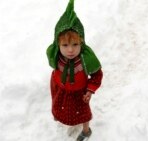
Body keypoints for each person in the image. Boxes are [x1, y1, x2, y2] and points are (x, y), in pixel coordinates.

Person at [46, 0, 103, 140]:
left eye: (75, 44)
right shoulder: (56, 56)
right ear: (57, 44)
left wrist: (89, 90)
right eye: (65, 45)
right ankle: (60, 115)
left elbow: (97, 75)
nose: (70, 50)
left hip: (80, 94)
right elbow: (55, 72)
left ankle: (86, 130)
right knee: (59, 107)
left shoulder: (85, 59)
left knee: (83, 113)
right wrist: (56, 87)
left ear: (81, 42)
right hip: (62, 90)